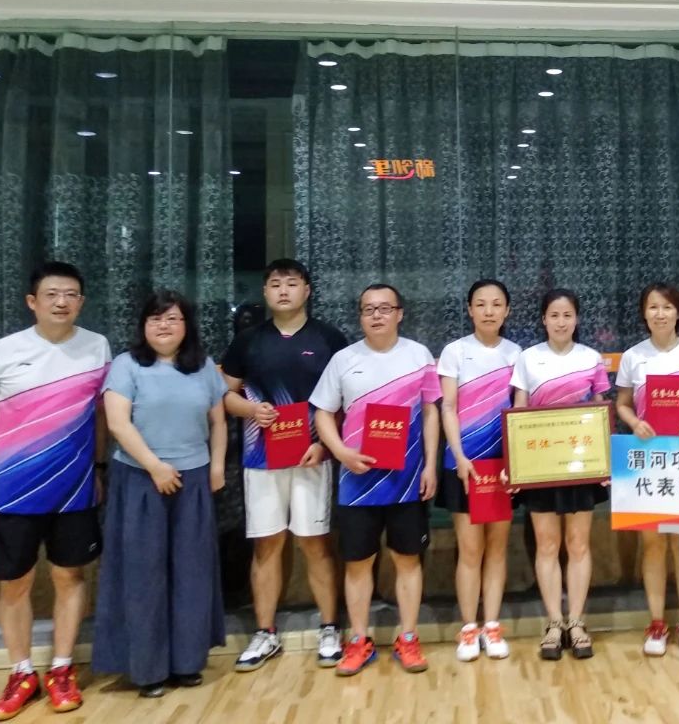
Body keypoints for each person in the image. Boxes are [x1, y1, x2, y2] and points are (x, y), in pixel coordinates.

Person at [0, 262, 111, 720]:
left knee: (69, 577)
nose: (61, 302)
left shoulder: (97, 347)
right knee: (15, 583)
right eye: (51, 294)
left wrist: (99, 467)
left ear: (81, 302)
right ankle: (21, 673)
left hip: (75, 489)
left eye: (70, 295)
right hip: (11, 489)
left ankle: (62, 669)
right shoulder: (3, 351)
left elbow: (100, 416)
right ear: (33, 301)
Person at [92, 291, 228, 698]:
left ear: (187, 325)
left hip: (194, 479)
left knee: (192, 572)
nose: (163, 325)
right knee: (142, 574)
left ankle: (186, 663)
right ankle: (147, 670)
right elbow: (118, 423)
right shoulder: (126, 365)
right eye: (155, 318)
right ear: (143, 326)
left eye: (172, 318)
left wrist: (217, 467)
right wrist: (154, 466)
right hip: (140, 479)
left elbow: (219, 421)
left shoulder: (203, 366)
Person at [221, 259, 349, 672]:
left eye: (291, 283)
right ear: (265, 292)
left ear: (306, 290)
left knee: (315, 543)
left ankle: (329, 627)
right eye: (274, 283)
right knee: (267, 543)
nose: (282, 290)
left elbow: (345, 400)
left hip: (312, 456)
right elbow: (224, 395)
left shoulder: (329, 339)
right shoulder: (247, 341)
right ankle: (266, 633)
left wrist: (326, 445)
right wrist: (250, 410)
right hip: (260, 458)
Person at [311, 283, 441, 676]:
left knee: (407, 559)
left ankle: (408, 638)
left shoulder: (418, 355)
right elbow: (322, 412)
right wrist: (341, 452)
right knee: (357, 563)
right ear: (360, 316)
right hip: (357, 483)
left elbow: (431, 412)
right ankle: (358, 641)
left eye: (385, 308)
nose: (377, 315)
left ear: (400, 313)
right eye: (368, 309)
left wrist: (430, 465)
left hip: (407, 480)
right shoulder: (343, 359)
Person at [614, 282, 679, 658]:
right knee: (653, 542)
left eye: (667, 307)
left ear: (678, 312)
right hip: (646, 460)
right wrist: (634, 423)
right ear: (644, 313)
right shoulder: (633, 357)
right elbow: (622, 404)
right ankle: (657, 623)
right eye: (653, 307)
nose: (660, 313)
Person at [509, 288, 611, 661]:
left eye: (567, 315)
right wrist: (517, 467)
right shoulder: (527, 358)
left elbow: (601, 410)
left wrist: (604, 462)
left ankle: (577, 622)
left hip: (581, 466)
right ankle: (554, 623)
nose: (561, 322)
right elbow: (519, 412)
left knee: (579, 544)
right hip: (541, 467)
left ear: (576, 319)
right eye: (554, 315)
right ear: (543, 319)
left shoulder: (591, 358)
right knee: (547, 546)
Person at [436, 279, 521, 662]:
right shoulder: (454, 352)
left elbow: (520, 411)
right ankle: (469, 628)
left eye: (496, 304)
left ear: (507, 311)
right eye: (481, 304)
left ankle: (492, 625)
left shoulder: (516, 354)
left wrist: (515, 463)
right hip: (464, 466)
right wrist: (458, 455)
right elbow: (447, 407)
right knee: (470, 550)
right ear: (469, 310)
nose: (489, 311)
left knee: (497, 549)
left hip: (502, 467)